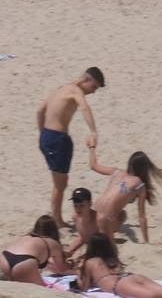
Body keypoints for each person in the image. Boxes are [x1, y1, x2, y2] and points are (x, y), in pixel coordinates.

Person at [37, 68, 105, 229]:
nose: (93, 92)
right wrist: (93, 131)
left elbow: (40, 110)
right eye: (93, 87)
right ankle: (57, 220)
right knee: (60, 185)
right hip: (58, 139)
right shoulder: (75, 91)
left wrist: (42, 133)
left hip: (47, 136)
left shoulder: (61, 89)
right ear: (86, 80)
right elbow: (84, 108)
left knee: (60, 182)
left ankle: (56, 217)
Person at [78, 233, 162, 298]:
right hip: (130, 276)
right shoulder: (111, 258)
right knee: (161, 288)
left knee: (152, 295)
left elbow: (83, 286)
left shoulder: (90, 262)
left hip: (118, 284)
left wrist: (79, 274)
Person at [87, 144, 162, 244]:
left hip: (92, 213)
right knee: (122, 216)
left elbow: (93, 166)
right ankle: (108, 235)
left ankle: (105, 234)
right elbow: (142, 217)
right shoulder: (139, 186)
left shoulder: (116, 172)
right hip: (106, 219)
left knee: (120, 215)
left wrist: (91, 147)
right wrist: (146, 241)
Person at [0, 214, 70, 281]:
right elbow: (61, 268)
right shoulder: (53, 243)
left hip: (4, 259)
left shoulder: (26, 236)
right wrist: (73, 267)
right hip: (24, 263)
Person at [66, 187, 97, 258]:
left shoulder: (98, 220)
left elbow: (105, 246)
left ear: (90, 204)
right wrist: (70, 250)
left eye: (81, 206)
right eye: (75, 206)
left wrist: (83, 257)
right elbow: (83, 237)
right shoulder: (75, 217)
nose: (78, 209)